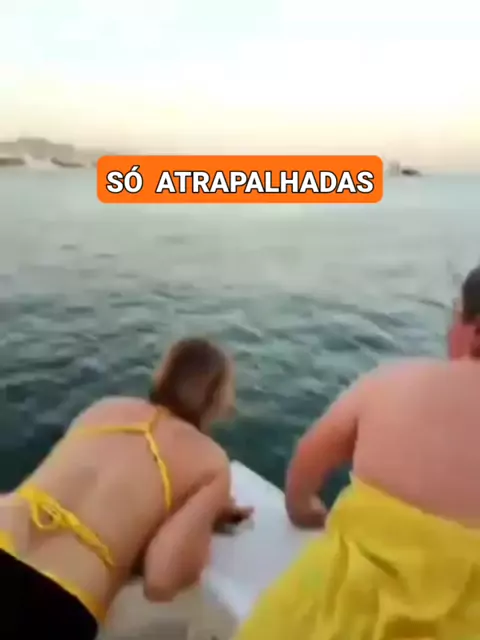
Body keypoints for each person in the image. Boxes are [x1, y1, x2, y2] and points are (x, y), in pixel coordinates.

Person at [234, 265, 480, 640]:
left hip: (340, 614)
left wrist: (302, 509)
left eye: (454, 313)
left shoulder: (391, 383)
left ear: (473, 329)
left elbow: (306, 464)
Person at [0, 337, 252, 639]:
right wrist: (203, 518)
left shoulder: (104, 408)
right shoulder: (211, 461)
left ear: (162, 374)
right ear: (218, 400)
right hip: (56, 596)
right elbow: (161, 581)